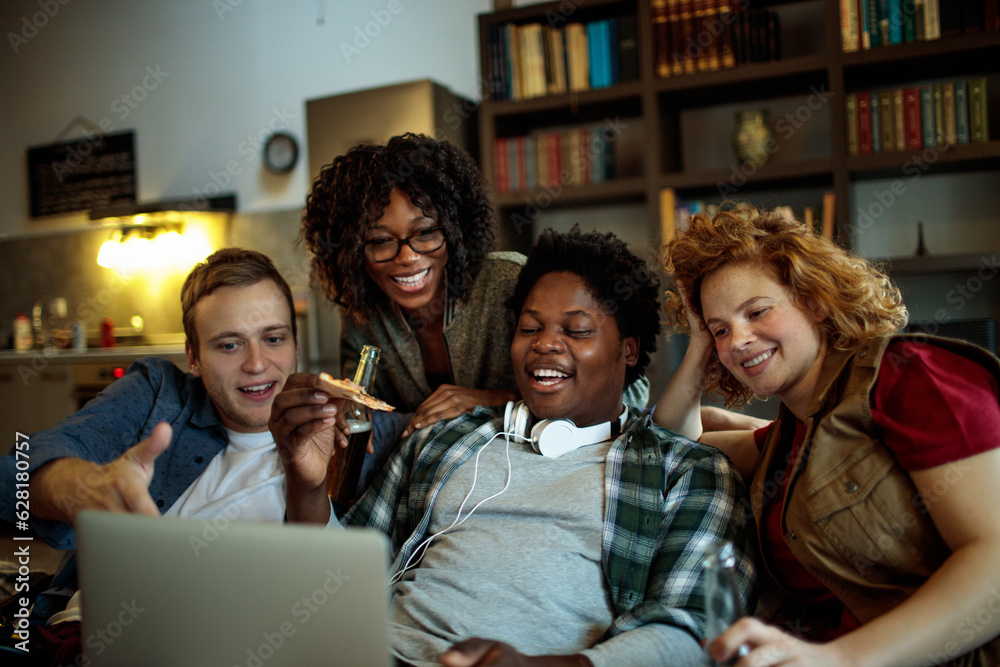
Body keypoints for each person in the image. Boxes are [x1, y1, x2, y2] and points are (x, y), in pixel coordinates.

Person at [270, 227, 756, 666]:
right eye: (530, 328)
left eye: (576, 330)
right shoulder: (446, 439)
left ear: (628, 349)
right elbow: (336, 582)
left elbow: (695, 629)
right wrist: (307, 484)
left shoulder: (686, 471)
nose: (545, 344)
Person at [656, 204, 1000, 666]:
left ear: (815, 300)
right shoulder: (792, 436)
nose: (737, 341)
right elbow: (675, 446)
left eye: (756, 312)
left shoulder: (911, 377)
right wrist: (700, 343)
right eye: (722, 329)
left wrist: (840, 659)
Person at [0, 248, 361, 637]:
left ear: (297, 347)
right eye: (229, 345)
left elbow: (331, 599)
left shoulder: (343, 427)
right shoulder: (160, 395)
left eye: (273, 338)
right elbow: (15, 475)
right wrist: (89, 490)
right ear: (193, 356)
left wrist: (308, 486)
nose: (257, 363)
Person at [301, 133, 650, 441]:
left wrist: (487, 399)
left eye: (425, 233)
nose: (407, 257)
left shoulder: (506, 283)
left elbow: (628, 395)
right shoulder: (363, 316)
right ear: (350, 254)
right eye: (379, 241)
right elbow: (365, 421)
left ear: (454, 229)